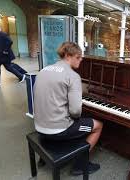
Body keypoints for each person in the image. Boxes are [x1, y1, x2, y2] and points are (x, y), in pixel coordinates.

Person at [33, 42, 103, 175]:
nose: (81, 59)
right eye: (78, 57)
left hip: (39, 126)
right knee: (98, 125)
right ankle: (79, 165)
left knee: (81, 122)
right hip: (58, 130)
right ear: (67, 55)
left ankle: (48, 155)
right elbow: (76, 112)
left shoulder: (43, 70)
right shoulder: (72, 76)